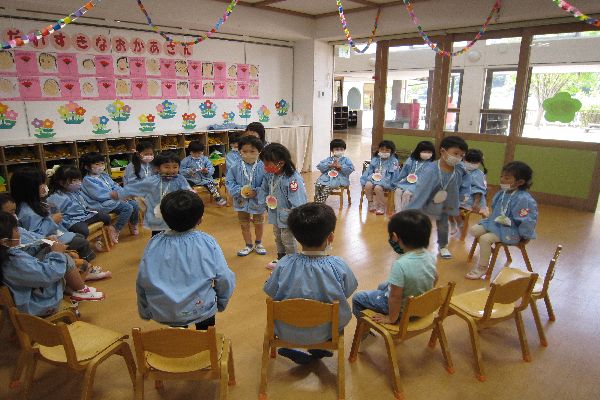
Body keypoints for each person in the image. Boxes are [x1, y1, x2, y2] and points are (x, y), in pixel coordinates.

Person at [263, 202, 358, 365]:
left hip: (286, 329)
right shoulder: (338, 265)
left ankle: (297, 347)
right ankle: (320, 347)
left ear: (296, 236)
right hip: (326, 330)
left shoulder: (284, 263)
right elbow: (348, 290)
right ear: (331, 237)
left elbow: (270, 291)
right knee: (336, 311)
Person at [136, 190, 235, 329]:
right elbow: (224, 277)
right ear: (200, 219)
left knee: (178, 336)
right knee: (205, 333)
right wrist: (222, 302)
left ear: (163, 218)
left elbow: (142, 279)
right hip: (201, 308)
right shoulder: (207, 242)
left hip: (165, 311)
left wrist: (144, 309)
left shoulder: (154, 243)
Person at [0, 212, 103, 310]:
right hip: (36, 303)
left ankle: (77, 288)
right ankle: (80, 289)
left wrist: (43, 244)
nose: (19, 233)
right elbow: (47, 275)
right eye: (16, 230)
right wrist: (57, 253)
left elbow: (30, 248)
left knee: (58, 254)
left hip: (31, 291)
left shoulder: (9, 254)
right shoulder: (13, 261)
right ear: (4, 241)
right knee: (64, 258)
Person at [352, 210, 437, 325]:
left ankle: (365, 330)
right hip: (419, 305)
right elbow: (435, 277)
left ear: (395, 237)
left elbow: (395, 297)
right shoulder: (430, 256)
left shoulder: (400, 265)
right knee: (383, 285)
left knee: (358, 298)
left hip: (402, 310)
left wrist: (391, 318)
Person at [0, 194, 110, 282]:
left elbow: (34, 236)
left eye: (14, 211)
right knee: (75, 248)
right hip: (41, 253)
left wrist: (46, 239)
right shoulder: (25, 214)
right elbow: (45, 273)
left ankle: (82, 272)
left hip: (49, 239)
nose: (15, 215)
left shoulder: (22, 222)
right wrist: (55, 250)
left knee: (74, 249)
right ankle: (80, 280)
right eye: (11, 212)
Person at [465, 161, 537, 280]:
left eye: (507, 178)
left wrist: (525, 236)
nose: (502, 179)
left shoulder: (523, 199)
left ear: (520, 182)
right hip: (495, 224)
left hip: (512, 230)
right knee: (474, 230)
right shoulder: (502, 193)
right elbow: (495, 209)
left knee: (484, 239)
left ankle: (482, 268)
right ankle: (487, 250)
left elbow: (527, 220)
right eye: (502, 176)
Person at [10, 167, 97, 262]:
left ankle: (80, 262)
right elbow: (37, 235)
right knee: (81, 242)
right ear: (29, 188)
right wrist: (53, 220)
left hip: (56, 234)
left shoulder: (35, 204)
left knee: (79, 236)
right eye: (41, 184)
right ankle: (82, 265)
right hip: (46, 242)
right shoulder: (26, 212)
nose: (44, 186)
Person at [406, 136, 471, 259]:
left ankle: (443, 246)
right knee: (422, 224)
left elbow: (466, 182)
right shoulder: (431, 169)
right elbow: (421, 188)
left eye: (461, 155)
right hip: (427, 201)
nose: (458, 157)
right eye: (455, 153)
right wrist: (414, 207)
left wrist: (464, 196)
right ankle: (416, 245)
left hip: (446, 202)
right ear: (443, 151)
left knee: (443, 225)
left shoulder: (459, 168)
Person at [116, 151, 193, 236]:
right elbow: (137, 188)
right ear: (157, 168)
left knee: (176, 234)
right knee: (158, 235)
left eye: (175, 167)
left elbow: (189, 193)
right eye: (167, 167)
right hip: (158, 215)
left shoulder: (180, 179)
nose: (171, 170)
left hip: (176, 213)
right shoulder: (152, 180)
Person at [258, 143, 307, 270]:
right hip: (275, 213)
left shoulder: (293, 179)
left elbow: (298, 201)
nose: (265, 167)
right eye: (264, 164)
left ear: (281, 163)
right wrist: (262, 204)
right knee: (278, 237)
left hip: (289, 216)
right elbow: (264, 190)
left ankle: (293, 262)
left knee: (288, 239)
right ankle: (281, 258)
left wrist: (296, 218)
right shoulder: (270, 175)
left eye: (268, 164)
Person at [80, 152, 139, 244]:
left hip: (112, 200)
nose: (100, 166)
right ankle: (115, 229)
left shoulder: (104, 176)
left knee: (134, 204)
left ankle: (133, 224)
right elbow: (99, 195)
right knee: (127, 208)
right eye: (97, 164)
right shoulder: (87, 180)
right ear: (87, 167)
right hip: (100, 203)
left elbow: (115, 186)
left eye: (102, 163)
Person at [225, 136, 268, 256]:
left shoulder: (263, 166)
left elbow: (267, 184)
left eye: (252, 151)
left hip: (258, 200)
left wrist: (257, 191)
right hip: (241, 200)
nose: (248, 154)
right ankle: (248, 245)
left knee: (259, 222)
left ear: (259, 151)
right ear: (240, 151)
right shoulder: (235, 166)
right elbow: (229, 181)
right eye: (244, 151)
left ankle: (258, 243)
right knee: (244, 223)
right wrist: (240, 191)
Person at [48, 165, 111, 241]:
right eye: (74, 180)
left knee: (105, 217)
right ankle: (84, 244)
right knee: (83, 230)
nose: (78, 182)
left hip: (85, 215)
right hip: (72, 221)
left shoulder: (75, 191)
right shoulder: (56, 197)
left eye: (79, 179)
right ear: (61, 182)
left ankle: (100, 238)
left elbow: (84, 204)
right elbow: (54, 215)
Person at [451, 149, 489, 235]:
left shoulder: (478, 174)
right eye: (469, 161)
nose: (471, 164)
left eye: (474, 162)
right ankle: (457, 224)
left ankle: (461, 224)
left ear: (479, 162)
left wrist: (476, 203)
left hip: (473, 199)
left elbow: (478, 190)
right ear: (464, 159)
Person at [394, 140, 436, 213]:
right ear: (418, 151)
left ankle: (404, 213)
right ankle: (398, 211)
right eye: (424, 151)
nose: (426, 154)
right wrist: (397, 182)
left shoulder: (432, 164)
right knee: (398, 191)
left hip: (421, 185)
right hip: (407, 183)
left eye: (429, 152)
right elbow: (404, 172)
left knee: (407, 193)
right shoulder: (411, 160)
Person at [181, 140, 227, 206]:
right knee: (186, 186)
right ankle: (189, 200)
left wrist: (207, 171)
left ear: (202, 152)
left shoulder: (205, 159)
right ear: (190, 152)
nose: (197, 155)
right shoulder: (186, 160)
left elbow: (211, 169)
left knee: (211, 185)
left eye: (199, 153)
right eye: (194, 153)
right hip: (191, 179)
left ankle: (218, 198)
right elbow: (181, 170)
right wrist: (188, 171)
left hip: (205, 179)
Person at [360, 140, 400, 215]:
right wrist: (364, 179)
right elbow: (369, 171)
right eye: (382, 149)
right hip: (373, 178)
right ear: (379, 149)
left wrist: (393, 184)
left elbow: (395, 174)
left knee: (377, 188)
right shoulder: (375, 159)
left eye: (387, 150)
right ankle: (371, 203)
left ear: (391, 151)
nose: (384, 152)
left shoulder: (394, 161)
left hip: (386, 180)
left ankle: (381, 206)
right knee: (367, 185)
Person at [314, 139, 355, 203]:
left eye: (341, 149)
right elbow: (320, 166)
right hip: (326, 178)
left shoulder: (346, 160)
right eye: (337, 149)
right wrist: (329, 165)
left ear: (344, 150)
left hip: (339, 179)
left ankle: (319, 203)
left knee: (326, 188)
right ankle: (318, 203)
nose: (339, 151)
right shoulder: (329, 159)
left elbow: (350, 169)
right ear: (332, 150)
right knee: (318, 184)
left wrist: (341, 167)